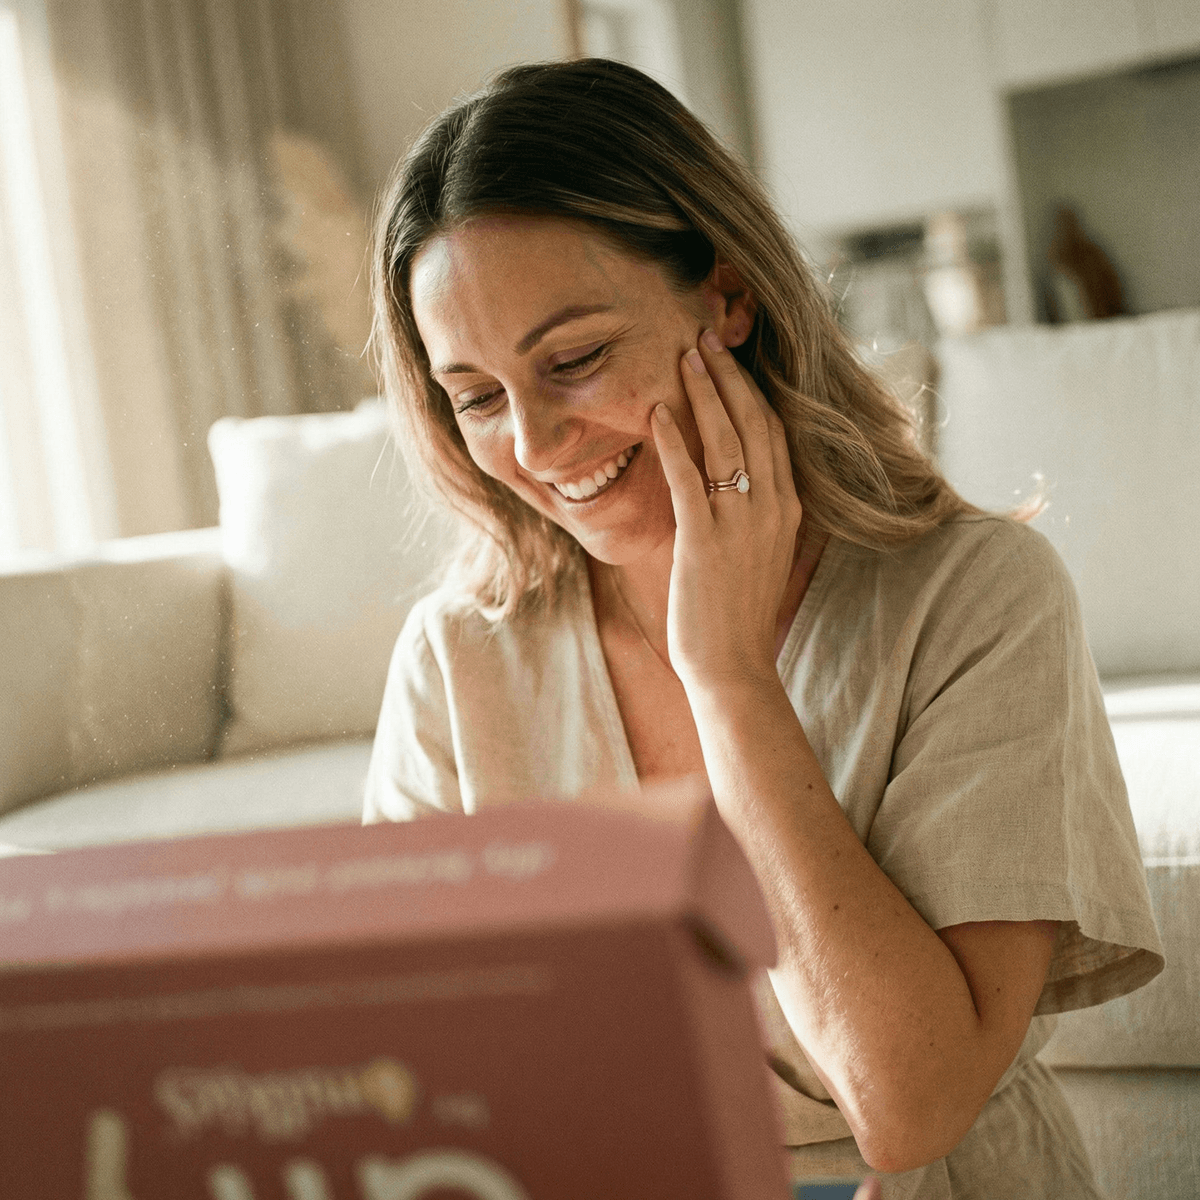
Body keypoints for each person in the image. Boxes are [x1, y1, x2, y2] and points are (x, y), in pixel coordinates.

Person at [363, 58, 1163, 1198]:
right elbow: (420, 1088)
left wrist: (729, 679)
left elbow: (910, 1103)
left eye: (576, 360)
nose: (536, 446)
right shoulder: (458, 660)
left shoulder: (979, 597)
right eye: (479, 396)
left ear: (727, 299)